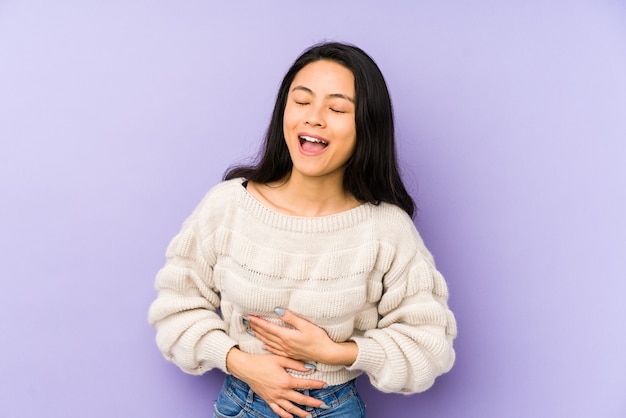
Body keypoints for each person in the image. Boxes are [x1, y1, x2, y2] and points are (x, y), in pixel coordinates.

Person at [148, 41, 457, 418]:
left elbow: (429, 347)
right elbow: (173, 311)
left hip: (336, 409)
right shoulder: (228, 205)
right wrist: (240, 362)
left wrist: (336, 353)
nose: (314, 117)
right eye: (302, 101)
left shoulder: (386, 229)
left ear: (367, 126)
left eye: (337, 108)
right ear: (284, 111)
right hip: (242, 404)